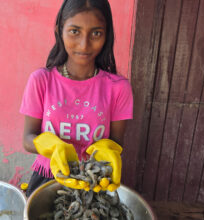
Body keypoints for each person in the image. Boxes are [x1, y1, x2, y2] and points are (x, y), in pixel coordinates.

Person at [20, 0, 133, 197]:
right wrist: (51, 146)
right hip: (48, 177)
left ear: (107, 35)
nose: (84, 44)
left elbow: (117, 142)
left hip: (95, 181)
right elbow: (28, 138)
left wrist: (109, 150)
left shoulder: (119, 88)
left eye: (96, 33)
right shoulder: (41, 81)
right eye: (74, 31)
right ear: (59, 30)